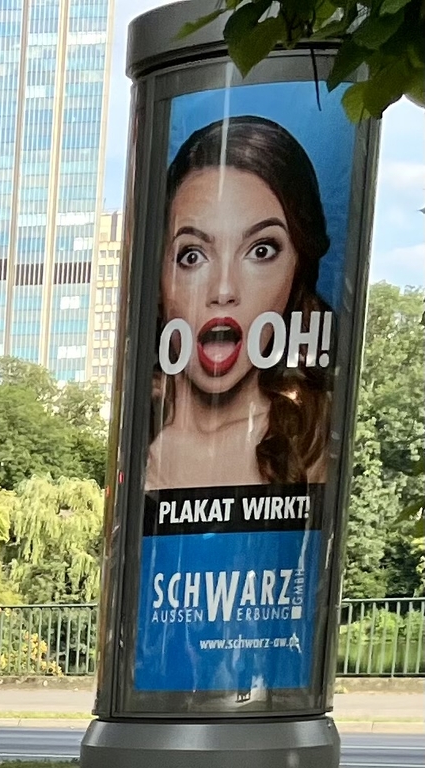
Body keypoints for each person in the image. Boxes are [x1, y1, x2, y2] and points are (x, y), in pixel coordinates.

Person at [145, 115, 334, 491]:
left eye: (261, 250)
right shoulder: (136, 435)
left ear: (297, 268)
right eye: (193, 255)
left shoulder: (314, 438)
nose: (224, 289)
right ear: (161, 279)